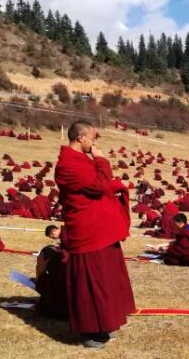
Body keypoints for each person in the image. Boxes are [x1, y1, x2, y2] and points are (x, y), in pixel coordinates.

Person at [54, 121, 135, 348]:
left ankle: (107, 323)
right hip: (87, 230)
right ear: (81, 137)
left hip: (99, 228)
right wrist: (101, 160)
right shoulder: (67, 165)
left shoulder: (80, 160)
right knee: (92, 282)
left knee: (107, 278)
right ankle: (92, 330)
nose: (94, 142)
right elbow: (98, 186)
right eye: (92, 138)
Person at [35, 245, 68, 319]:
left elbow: (41, 289)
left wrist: (39, 271)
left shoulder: (54, 277)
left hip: (61, 312)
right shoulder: (64, 266)